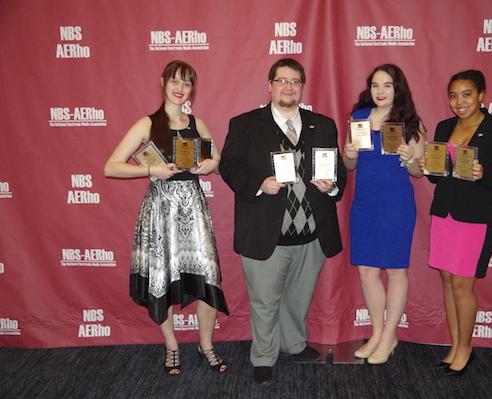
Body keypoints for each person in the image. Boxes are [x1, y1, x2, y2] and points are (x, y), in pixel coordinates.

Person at [219, 58, 346, 385]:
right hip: (265, 232)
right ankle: (263, 356)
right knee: (264, 301)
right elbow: (229, 165)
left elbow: (337, 172)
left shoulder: (324, 124)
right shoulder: (245, 124)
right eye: (281, 80)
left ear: (302, 87)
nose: (288, 87)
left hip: (312, 233)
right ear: (270, 86)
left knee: (299, 297)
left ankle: (293, 343)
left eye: (294, 81)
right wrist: (259, 184)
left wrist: (332, 186)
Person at [104, 60, 229, 376]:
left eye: (187, 83)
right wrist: (150, 170)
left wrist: (211, 164)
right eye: (175, 81)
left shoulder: (196, 123)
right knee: (162, 278)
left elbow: (216, 156)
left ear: (192, 89)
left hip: (194, 211)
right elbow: (112, 166)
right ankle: (171, 346)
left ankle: (206, 345)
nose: (180, 88)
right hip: (161, 214)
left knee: (208, 278)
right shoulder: (147, 124)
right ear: (163, 83)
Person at [418, 69, 492, 376]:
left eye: (466, 94)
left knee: (463, 286)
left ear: (480, 96)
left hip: (475, 219)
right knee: (448, 283)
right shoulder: (445, 125)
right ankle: (455, 345)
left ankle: (466, 349)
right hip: (445, 214)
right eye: (453, 95)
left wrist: (484, 174)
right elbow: (439, 176)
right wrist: (427, 168)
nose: (459, 102)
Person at [343, 64, 425, 364]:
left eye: (387, 85)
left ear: (397, 89)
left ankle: (390, 336)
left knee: (395, 271)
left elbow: (419, 172)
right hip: (365, 202)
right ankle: (377, 333)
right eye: (375, 85)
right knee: (366, 271)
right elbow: (350, 165)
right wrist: (348, 155)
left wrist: (409, 159)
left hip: (396, 204)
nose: (380, 91)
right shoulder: (359, 117)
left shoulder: (410, 122)